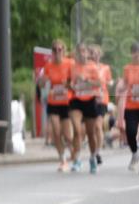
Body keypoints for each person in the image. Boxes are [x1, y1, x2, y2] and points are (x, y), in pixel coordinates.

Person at [37, 39, 75, 172]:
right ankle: (62, 159)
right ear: (52, 52)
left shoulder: (70, 64)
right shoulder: (48, 66)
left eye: (60, 49)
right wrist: (42, 80)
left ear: (64, 51)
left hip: (66, 102)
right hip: (53, 102)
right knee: (56, 132)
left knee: (68, 135)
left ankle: (74, 154)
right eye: (54, 50)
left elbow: (75, 84)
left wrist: (67, 84)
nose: (57, 52)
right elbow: (41, 84)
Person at [69, 42, 102, 173]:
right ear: (76, 53)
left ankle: (93, 157)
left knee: (90, 133)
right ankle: (76, 159)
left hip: (90, 100)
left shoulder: (93, 67)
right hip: (76, 100)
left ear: (87, 54)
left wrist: (87, 80)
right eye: (79, 51)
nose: (82, 54)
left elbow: (99, 83)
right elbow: (69, 83)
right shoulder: (73, 67)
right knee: (77, 130)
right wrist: (71, 85)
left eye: (84, 51)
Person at [116, 41, 139, 172]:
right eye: (135, 53)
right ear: (131, 54)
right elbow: (125, 84)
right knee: (130, 132)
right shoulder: (127, 68)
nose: (137, 56)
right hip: (131, 106)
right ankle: (135, 153)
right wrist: (121, 87)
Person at [93, 45, 113, 164]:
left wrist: (109, 82)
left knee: (97, 126)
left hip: (101, 99)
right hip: (89, 99)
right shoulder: (87, 68)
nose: (95, 55)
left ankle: (98, 151)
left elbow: (110, 81)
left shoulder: (105, 68)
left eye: (97, 53)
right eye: (93, 53)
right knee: (91, 128)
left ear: (100, 55)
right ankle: (95, 148)